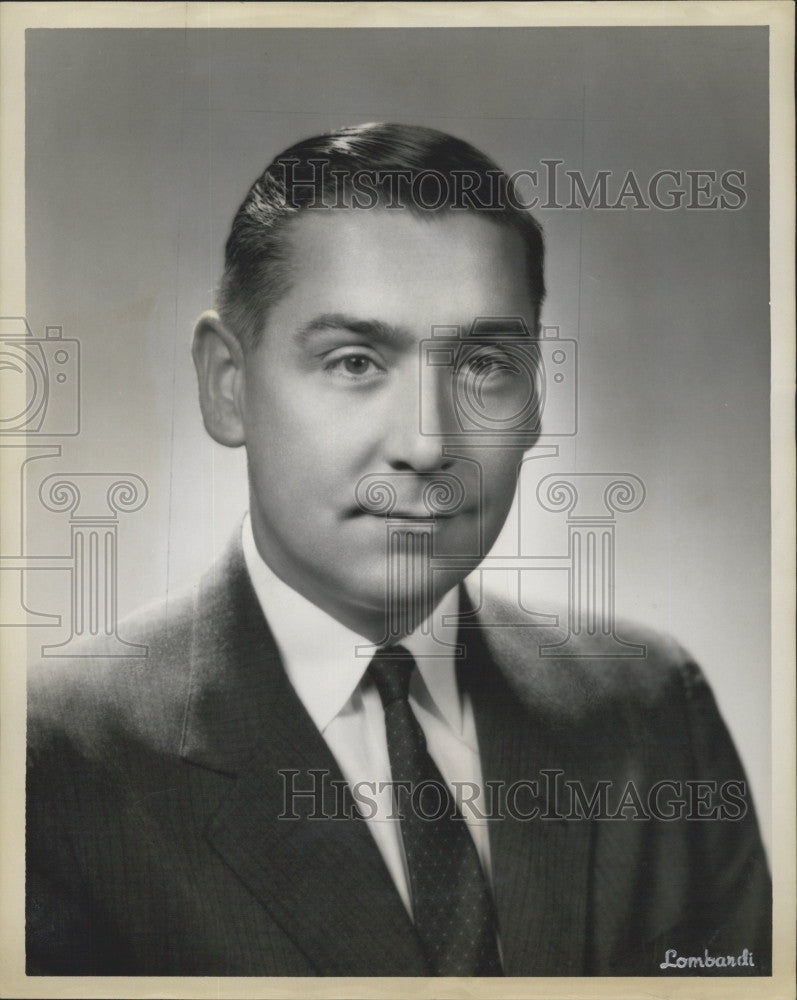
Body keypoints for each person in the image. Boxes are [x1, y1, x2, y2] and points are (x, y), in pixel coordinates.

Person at [26, 123, 771, 977]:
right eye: (353, 362)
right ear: (226, 386)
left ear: (533, 404)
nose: (426, 443)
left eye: (484, 364)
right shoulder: (52, 762)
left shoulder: (650, 711)